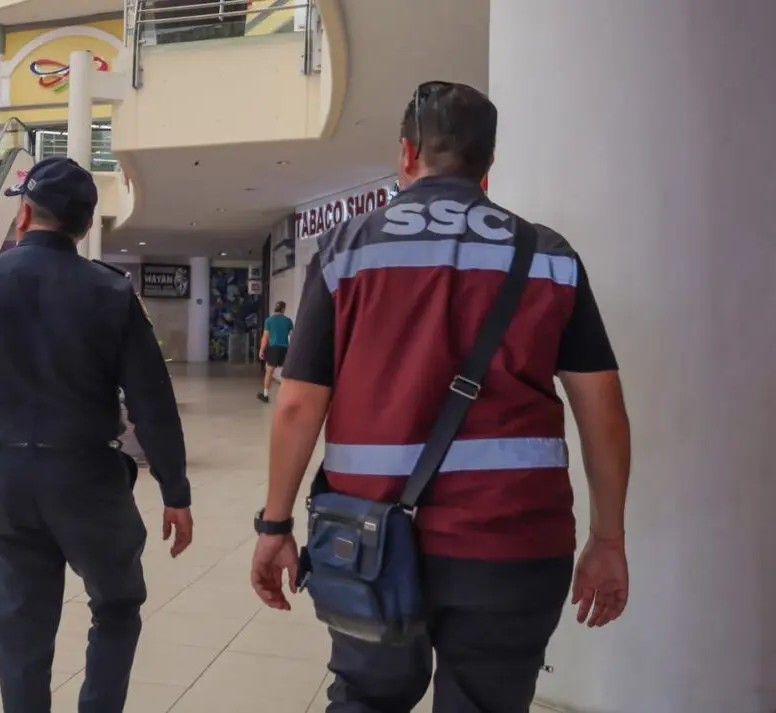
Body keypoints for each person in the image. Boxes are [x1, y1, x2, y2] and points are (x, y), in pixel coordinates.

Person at [250, 81, 631, 713]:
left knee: (367, 697)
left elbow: (296, 404)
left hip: (367, 539)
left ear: (406, 153)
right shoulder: (547, 256)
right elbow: (603, 410)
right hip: (513, 540)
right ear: (488, 163)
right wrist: (608, 539)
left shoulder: (349, 250)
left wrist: (275, 523)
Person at [0, 157, 193, 713]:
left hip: (1, 476)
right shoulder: (111, 293)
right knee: (118, 604)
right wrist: (176, 492)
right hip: (88, 480)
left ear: (23, 214)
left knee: (20, 622)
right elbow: (153, 402)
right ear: (83, 226)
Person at [257, 300, 293, 403]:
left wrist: (261, 350)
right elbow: (293, 335)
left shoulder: (269, 321)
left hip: (273, 348)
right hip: (285, 348)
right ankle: (287, 396)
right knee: (286, 373)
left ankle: (265, 395)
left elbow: (265, 337)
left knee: (269, 372)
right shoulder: (288, 321)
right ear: (283, 309)